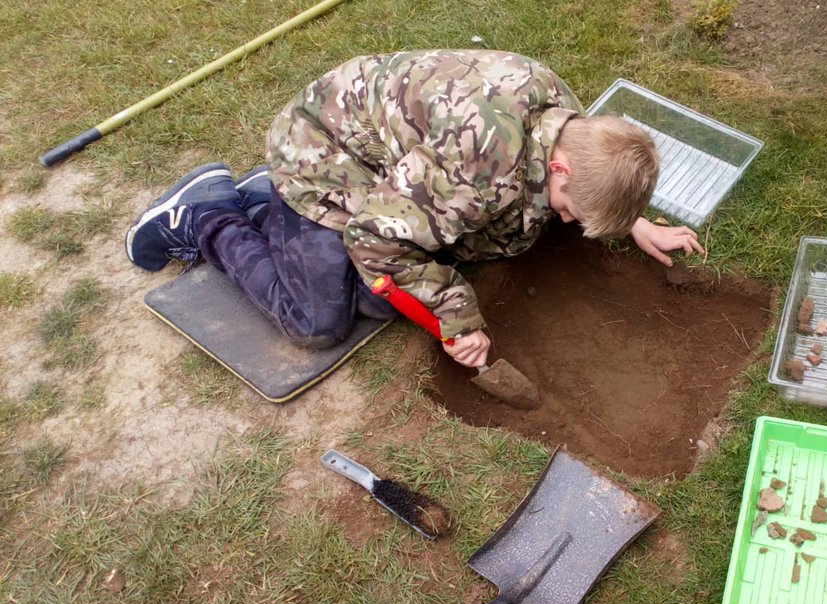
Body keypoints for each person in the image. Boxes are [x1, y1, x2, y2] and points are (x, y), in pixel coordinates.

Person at [125, 49, 704, 367]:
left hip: (390, 156)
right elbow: (375, 242)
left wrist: (634, 220)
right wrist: (458, 318)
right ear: (560, 167)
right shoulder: (478, 173)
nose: (571, 221)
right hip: (321, 153)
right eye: (573, 207)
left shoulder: (570, 122)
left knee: (390, 297)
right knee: (318, 322)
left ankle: (266, 206)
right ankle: (206, 215)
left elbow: (587, 182)